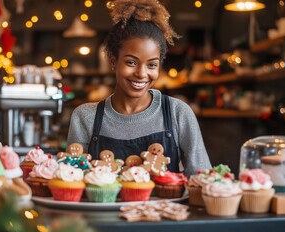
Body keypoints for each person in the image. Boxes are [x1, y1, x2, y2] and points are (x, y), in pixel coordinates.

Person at [67, 0, 211, 176]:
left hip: (165, 205)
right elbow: (71, 179)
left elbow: (202, 179)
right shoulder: (86, 117)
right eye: (131, 62)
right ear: (113, 60)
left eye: (152, 65)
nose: (141, 74)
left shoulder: (177, 112)